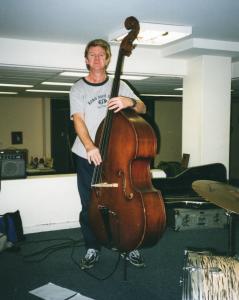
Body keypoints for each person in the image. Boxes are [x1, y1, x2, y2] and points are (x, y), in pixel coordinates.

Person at [70, 39, 147, 270]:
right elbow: (79, 120)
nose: (96, 59)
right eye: (92, 55)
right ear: (86, 60)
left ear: (108, 59)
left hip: (116, 155)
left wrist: (129, 101)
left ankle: (129, 245)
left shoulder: (119, 84)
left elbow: (142, 108)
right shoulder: (78, 88)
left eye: (101, 55)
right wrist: (90, 146)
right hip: (86, 155)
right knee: (90, 204)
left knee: (123, 202)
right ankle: (92, 247)